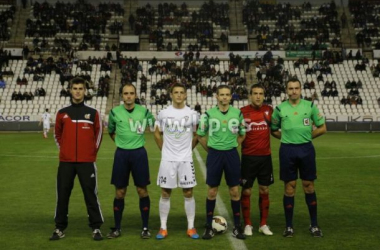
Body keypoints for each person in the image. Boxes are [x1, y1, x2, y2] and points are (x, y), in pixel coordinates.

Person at [271, 77, 326, 238]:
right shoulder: (279, 109)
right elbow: (273, 129)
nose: (294, 91)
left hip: (306, 149)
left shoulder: (309, 106)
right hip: (287, 150)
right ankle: (289, 227)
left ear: (301, 90)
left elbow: (322, 128)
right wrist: (287, 138)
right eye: (290, 88)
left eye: (296, 88)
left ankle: (314, 225)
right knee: (290, 187)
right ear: (286, 90)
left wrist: (306, 137)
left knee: (308, 185)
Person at [51, 77, 104, 241]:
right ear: (70, 90)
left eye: (81, 88)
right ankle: (59, 228)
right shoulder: (62, 113)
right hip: (66, 162)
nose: (78, 91)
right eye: (75, 88)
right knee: (63, 194)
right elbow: (57, 134)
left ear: (85, 91)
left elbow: (99, 135)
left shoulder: (93, 113)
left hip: (86, 162)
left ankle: (96, 228)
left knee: (90, 194)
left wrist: (91, 154)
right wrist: (65, 151)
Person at [197, 85, 246, 240]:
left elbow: (242, 133)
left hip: (231, 154)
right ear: (216, 97)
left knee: (235, 191)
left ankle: (237, 226)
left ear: (231, 97)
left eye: (227, 95)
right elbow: (200, 135)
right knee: (212, 191)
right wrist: (211, 151)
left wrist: (234, 145)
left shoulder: (238, 114)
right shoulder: (208, 114)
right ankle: (208, 226)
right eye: (222, 95)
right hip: (215, 155)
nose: (224, 97)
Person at [107, 83, 155, 239]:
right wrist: (122, 143)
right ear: (122, 95)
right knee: (120, 192)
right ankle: (117, 228)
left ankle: (146, 228)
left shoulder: (145, 112)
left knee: (142, 191)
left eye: (131, 93)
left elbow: (155, 126)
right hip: (121, 155)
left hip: (139, 154)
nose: (128, 96)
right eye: (126, 93)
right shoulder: (114, 112)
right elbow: (111, 132)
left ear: (135, 95)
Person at [154, 83, 200, 239]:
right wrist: (164, 150)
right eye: (176, 92)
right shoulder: (163, 113)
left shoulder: (193, 114)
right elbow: (157, 133)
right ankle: (163, 227)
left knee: (188, 192)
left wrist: (189, 149)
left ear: (186, 95)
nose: (179, 95)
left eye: (182, 92)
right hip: (168, 159)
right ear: (171, 95)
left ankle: (191, 227)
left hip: (185, 159)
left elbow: (197, 134)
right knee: (165, 192)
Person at [240, 84, 274, 236]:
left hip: (265, 157)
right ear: (250, 95)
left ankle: (263, 224)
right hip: (248, 157)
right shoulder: (242, 112)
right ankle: (248, 224)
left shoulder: (270, 111)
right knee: (246, 190)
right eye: (255, 93)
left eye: (261, 93)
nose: (258, 96)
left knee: (264, 189)